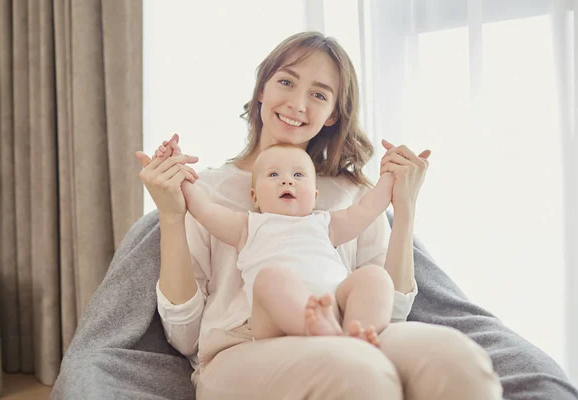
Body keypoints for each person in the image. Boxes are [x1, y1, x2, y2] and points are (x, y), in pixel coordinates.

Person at [135, 32, 503, 400]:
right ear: (261, 89)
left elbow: (391, 313)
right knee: (356, 373)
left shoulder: (352, 194)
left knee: (455, 360)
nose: (298, 104)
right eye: (286, 82)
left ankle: (347, 343)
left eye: (319, 94)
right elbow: (184, 337)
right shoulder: (209, 190)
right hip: (242, 346)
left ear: (333, 115)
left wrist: (404, 210)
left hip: (352, 328)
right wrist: (171, 216)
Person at [159, 141, 395, 343]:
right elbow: (205, 210)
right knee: (271, 278)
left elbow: (368, 208)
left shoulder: (327, 224)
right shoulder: (247, 226)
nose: (287, 181)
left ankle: (360, 334)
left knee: (375, 276)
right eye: (273, 175)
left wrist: (389, 176)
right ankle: (320, 333)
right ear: (255, 197)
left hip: (333, 309)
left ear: (314, 196)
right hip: (274, 321)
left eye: (298, 175)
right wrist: (179, 174)